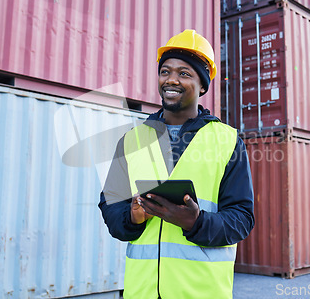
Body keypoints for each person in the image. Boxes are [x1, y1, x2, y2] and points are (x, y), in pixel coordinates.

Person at [98, 29, 254, 299]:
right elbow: (110, 205)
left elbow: (242, 218)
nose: (172, 80)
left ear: (202, 85)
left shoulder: (228, 141)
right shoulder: (131, 141)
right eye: (165, 71)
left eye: (184, 73)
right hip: (142, 292)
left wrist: (196, 222)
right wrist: (132, 217)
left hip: (202, 292)